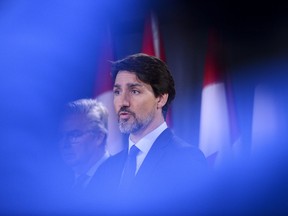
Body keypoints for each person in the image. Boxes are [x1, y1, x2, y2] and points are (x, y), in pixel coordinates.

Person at [94, 53, 208, 214]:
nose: (123, 102)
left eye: (134, 91)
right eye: (117, 92)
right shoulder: (106, 169)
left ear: (160, 98)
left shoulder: (186, 160)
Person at [58, 98, 110, 197]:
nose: (65, 145)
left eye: (74, 135)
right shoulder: (62, 185)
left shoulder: (121, 175)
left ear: (99, 137)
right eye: (61, 136)